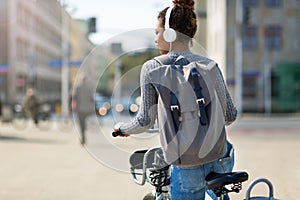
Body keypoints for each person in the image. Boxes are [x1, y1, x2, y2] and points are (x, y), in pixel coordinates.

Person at [113, 0, 237, 199]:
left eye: (157, 32)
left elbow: (145, 121)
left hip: (186, 162)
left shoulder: (152, 68)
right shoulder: (211, 65)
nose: (155, 40)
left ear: (170, 33)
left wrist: (121, 129)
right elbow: (230, 115)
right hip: (220, 157)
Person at [73, 76, 94, 145]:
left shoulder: (78, 88)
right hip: (87, 110)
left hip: (80, 109)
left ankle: (83, 138)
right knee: (84, 123)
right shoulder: (89, 89)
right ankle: (84, 132)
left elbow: (75, 98)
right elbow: (92, 99)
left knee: (81, 124)